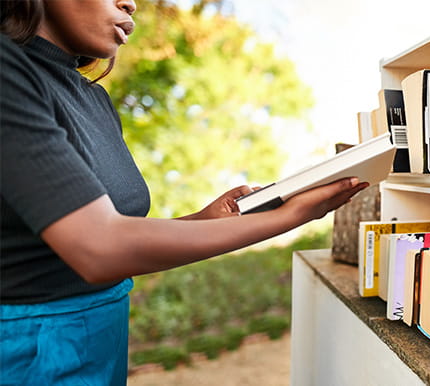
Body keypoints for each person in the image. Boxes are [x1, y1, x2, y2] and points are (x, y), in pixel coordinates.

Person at [0, 0, 369, 384]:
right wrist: (289, 217)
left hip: (100, 343)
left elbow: (110, 239)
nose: (130, 3)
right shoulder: (7, 71)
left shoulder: (93, 98)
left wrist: (202, 221)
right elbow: (98, 248)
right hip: (29, 354)